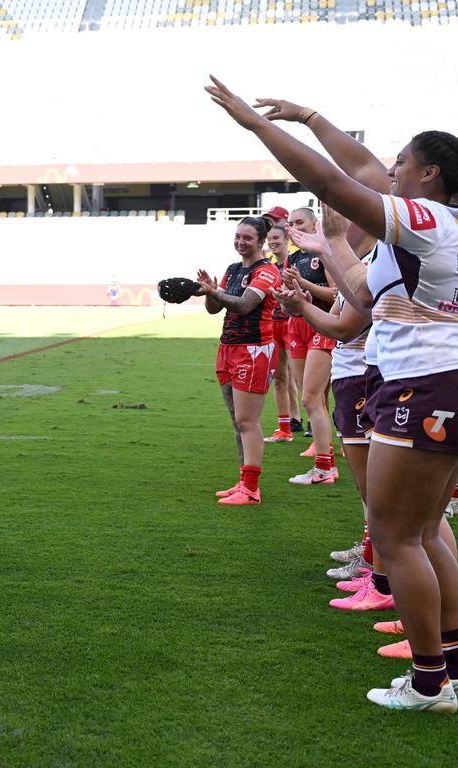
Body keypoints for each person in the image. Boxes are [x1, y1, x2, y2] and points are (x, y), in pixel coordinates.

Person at [208, 75, 458, 712]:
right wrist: (312, 119)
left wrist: (260, 126)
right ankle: (448, 664)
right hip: (434, 385)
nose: (390, 170)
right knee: (426, 532)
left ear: (430, 174)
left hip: (422, 388)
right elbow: (354, 313)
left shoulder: (427, 223)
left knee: (396, 534)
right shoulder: (426, 234)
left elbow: (337, 180)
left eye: (403, 162)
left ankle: (430, 683)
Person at [195, 216, 281, 506]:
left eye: (247, 237)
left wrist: (216, 292)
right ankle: (244, 482)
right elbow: (213, 309)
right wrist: (210, 291)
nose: (240, 242)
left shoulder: (267, 271)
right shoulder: (233, 270)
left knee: (247, 421)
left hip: (253, 350)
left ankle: (252, 489)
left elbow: (244, 305)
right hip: (228, 348)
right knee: (237, 422)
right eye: (237, 236)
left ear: (260, 241)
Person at [282, 208, 339, 483]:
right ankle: (324, 448)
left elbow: (336, 293)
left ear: (315, 224)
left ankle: (326, 465)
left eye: (299, 222)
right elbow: (289, 305)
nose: (294, 227)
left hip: (324, 323)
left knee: (312, 396)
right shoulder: (292, 258)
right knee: (311, 394)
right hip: (298, 324)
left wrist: (303, 285)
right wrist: (287, 298)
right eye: (290, 224)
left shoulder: (323, 252)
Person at [262, 224, 301, 442]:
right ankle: (285, 429)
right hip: (272, 324)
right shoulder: (268, 267)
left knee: (301, 378)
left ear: (287, 239)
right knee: (279, 378)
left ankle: (315, 426)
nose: (272, 242)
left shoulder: (295, 262)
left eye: (276, 237)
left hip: (293, 323)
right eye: (269, 238)